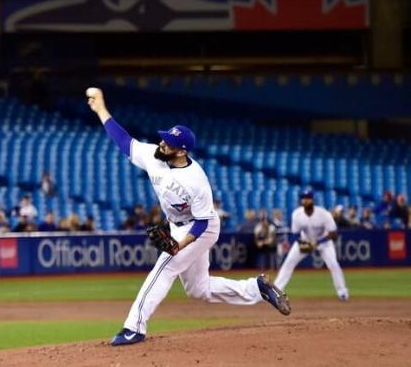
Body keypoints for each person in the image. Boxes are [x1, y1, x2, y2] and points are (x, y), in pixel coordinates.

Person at [85, 87, 289, 346]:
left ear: (181, 151)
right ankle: (256, 288)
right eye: (164, 138)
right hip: (176, 226)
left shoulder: (196, 180)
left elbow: (203, 222)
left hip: (201, 227)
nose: (162, 143)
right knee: (199, 290)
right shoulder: (154, 156)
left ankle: (134, 326)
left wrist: (179, 245)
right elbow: (123, 141)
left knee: (165, 268)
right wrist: (101, 109)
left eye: (168, 142)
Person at [274, 190, 350, 301]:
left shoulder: (323, 214)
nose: (305, 200)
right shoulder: (297, 214)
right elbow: (295, 234)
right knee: (288, 263)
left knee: (333, 264)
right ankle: (276, 291)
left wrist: (318, 242)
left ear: (313, 200)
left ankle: (342, 292)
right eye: (304, 198)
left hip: (323, 242)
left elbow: (333, 234)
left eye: (308, 198)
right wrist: (301, 243)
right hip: (305, 240)